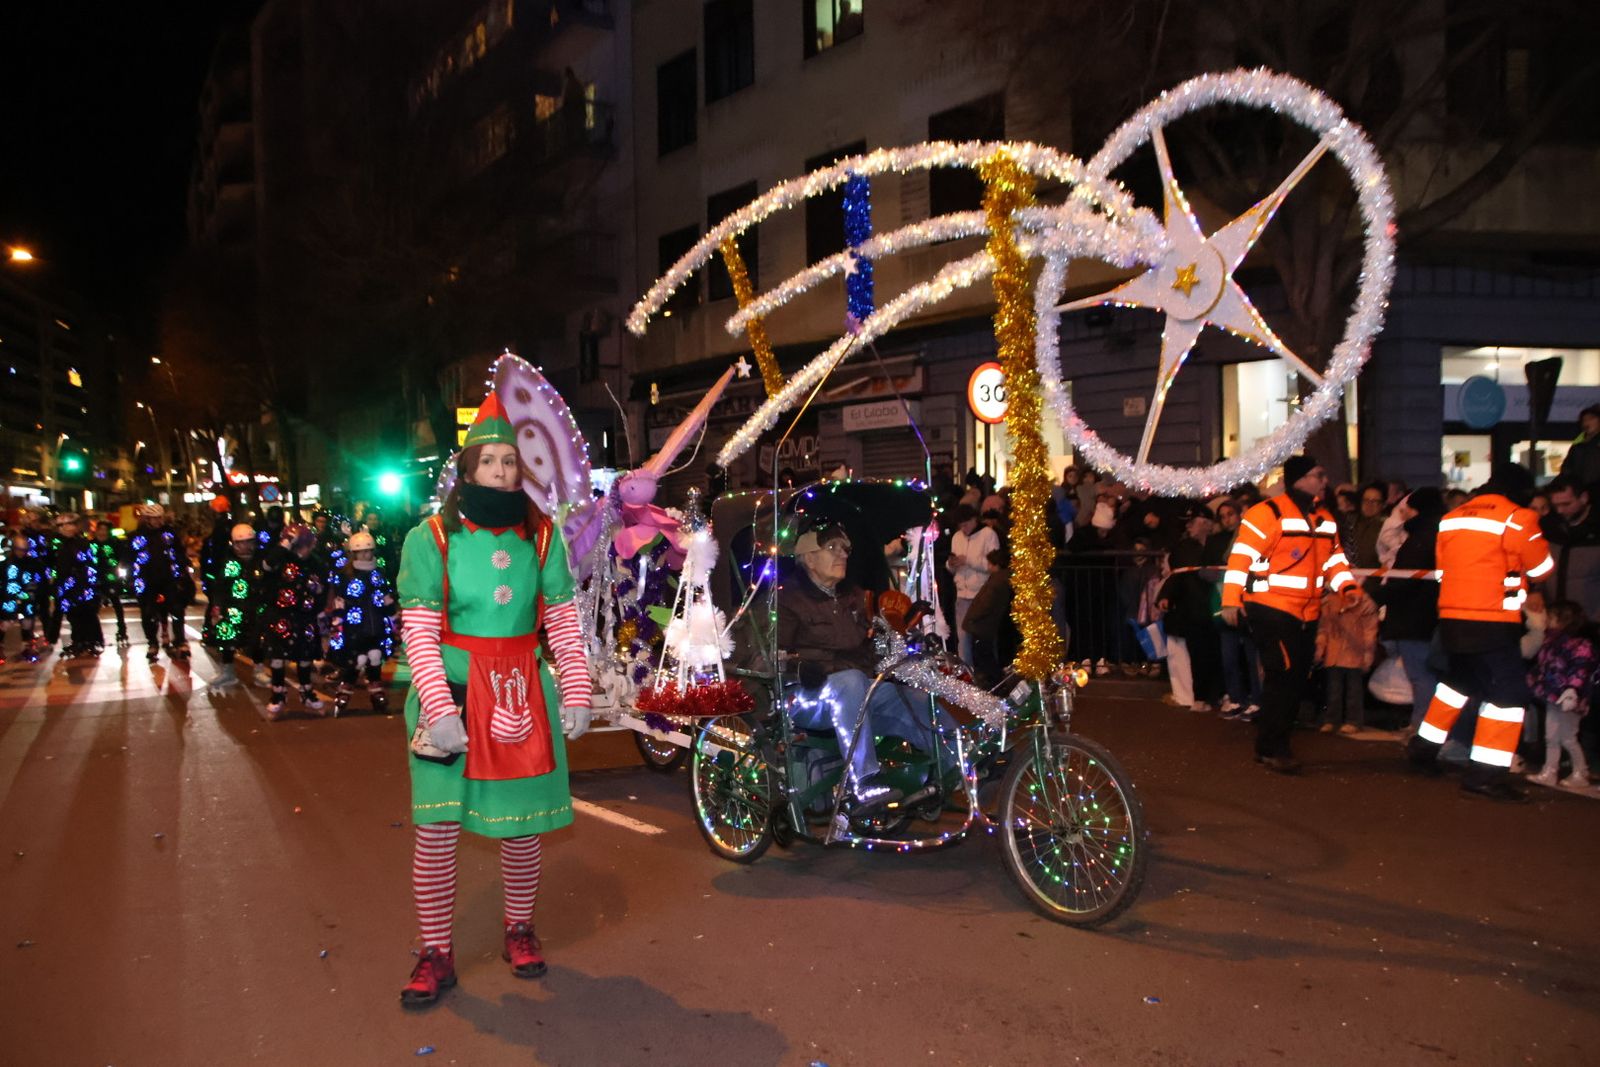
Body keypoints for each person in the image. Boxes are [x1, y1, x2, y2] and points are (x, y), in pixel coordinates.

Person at [394, 394, 592, 1008]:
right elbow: (418, 630)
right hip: (453, 691)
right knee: (436, 830)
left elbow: (562, 619)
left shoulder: (543, 537)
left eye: (510, 461)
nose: (502, 472)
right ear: (468, 469)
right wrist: (437, 707)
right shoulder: (432, 538)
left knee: (522, 828)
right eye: (489, 461)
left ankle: (519, 930)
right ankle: (435, 952)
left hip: (521, 694)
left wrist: (577, 688)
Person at [778, 522, 959, 807]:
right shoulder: (787, 599)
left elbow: (869, 646)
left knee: (913, 698)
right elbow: (766, 655)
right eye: (832, 548)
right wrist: (798, 667)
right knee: (850, 681)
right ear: (809, 559)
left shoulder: (853, 596)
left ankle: (962, 765)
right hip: (807, 697)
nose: (843, 554)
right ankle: (863, 781)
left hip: (858, 690)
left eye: (845, 549)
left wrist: (896, 643)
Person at [1407, 464, 1554, 801]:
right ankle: (1485, 776)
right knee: (1508, 697)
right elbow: (1541, 569)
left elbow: (1443, 567)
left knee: (1456, 686)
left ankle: (1423, 749)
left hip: (1452, 618)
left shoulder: (1453, 517)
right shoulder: (1519, 518)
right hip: (1493, 620)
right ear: (1520, 491)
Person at [1220, 454, 1357, 773]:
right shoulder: (1266, 513)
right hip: (1271, 609)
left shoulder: (1324, 518)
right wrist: (1231, 600)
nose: (1324, 480)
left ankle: (1269, 745)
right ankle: (1274, 748)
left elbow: (1334, 560)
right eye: (1318, 474)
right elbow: (1241, 557)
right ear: (1300, 479)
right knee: (1283, 677)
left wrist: (1349, 588)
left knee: (1293, 679)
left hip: (1306, 613)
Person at [1373, 488, 1445, 735]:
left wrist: (1376, 597)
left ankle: (1423, 730)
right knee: (1426, 676)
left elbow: (1405, 580)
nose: (1403, 515)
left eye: (1407, 510)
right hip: (1427, 616)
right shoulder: (1433, 534)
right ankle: (1425, 727)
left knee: (1421, 677)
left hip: (1414, 618)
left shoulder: (1421, 538)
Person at [258, 524, 328, 718]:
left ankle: (307, 692)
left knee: (305, 656)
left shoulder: (315, 563)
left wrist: (319, 609)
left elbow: (323, 587)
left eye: (307, 546)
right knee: (278, 655)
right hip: (281, 614)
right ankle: (278, 694)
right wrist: (285, 544)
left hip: (305, 615)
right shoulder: (280, 560)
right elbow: (266, 565)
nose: (304, 551)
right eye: (300, 547)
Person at [1159, 506, 1223, 712]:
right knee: (1198, 654)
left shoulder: (1218, 544)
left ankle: (1219, 695)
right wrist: (1166, 596)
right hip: (1194, 608)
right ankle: (1201, 697)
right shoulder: (1184, 548)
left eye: (1193, 522)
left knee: (1218, 653)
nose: (1189, 527)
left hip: (1217, 605)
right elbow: (1177, 575)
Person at [326, 530, 397, 714]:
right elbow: (340, 600)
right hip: (355, 625)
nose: (366, 555)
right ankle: (344, 691)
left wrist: (392, 615)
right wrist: (337, 621)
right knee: (357, 660)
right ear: (354, 553)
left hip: (376, 623)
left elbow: (386, 596)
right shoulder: (347, 575)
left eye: (369, 551)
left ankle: (376, 690)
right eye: (362, 552)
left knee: (375, 656)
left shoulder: (378, 573)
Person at [1526, 599, 1594, 789]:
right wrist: (1533, 682)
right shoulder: (1551, 641)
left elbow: (1581, 669)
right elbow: (1543, 668)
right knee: (1554, 737)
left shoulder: (1579, 645)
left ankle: (1579, 772)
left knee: (1567, 737)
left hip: (1568, 699)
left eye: (1552, 616)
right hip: (1554, 696)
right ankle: (1551, 771)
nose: (1547, 619)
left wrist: (1573, 691)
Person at [1210, 500, 1262, 720]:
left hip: (1247, 603)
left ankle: (1256, 700)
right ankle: (1237, 698)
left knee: (1252, 657)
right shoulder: (1221, 541)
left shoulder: (1253, 538)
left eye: (1231, 514)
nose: (1227, 520)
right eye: (1222, 516)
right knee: (1230, 657)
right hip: (1230, 602)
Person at [130, 503, 194, 664]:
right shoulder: (138, 536)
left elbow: (179, 552)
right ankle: (152, 642)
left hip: (169, 579)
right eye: (154, 518)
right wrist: (130, 577)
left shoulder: (169, 534)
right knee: (148, 613)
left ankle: (180, 641)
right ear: (147, 519)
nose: (158, 521)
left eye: (159, 518)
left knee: (177, 610)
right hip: (147, 581)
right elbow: (130, 557)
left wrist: (183, 567)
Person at [204, 523, 263, 692]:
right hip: (233, 608)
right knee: (227, 637)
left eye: (249, 542)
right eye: (241, 543)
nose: (245, 547)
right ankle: (228, 671)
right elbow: (220, 587)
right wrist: (217, 607)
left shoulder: (259, 561)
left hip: (255, 606)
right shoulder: (229, 563)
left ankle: (259, 670)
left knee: (257, 638)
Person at [1315, 586, 1378, 733]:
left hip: (1353, 652)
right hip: (1336, 652)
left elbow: (1370, 631)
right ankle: (1333, 719)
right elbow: (1324, 628)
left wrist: (1367, 652)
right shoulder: (1331, 601)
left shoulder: (1364, 603)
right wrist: (1321, 647)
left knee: (1351, 690)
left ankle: (1351, 721)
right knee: (1334, 690)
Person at [1541, 477, 1600, 619]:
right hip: (1555, 616)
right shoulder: (1549, 527)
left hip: (1591, 618)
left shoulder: (1596, 529)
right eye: (1555, 505)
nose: (1560, 510)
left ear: (1583, 498)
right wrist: (1535, 591)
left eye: (1566, 504)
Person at [948, 504, 999, 667]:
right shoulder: (956, 537)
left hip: (981, 594)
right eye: (960, 526)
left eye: (966, 525)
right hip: (962, 594)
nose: (963, 529)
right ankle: (967, 673)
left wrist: (968, 560)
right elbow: (952, 567)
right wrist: (951, 564)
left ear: (974, 520)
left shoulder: (988, 534)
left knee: (983, 639)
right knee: (963, 639)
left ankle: (987, 672)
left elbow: (993, 565)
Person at [51, 513, 103, 658]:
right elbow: (52, 565)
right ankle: (78, 641)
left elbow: (91, 563)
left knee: (87, 613)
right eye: (64, 526)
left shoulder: (82, 543)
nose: (68, 528)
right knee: (73, 615)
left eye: (70, 525)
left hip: (82, 584)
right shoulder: (56, 545)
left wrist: (92, 583)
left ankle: (91, 641)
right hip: (65, 585)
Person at [963, 547, 1013, 688]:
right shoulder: (1002, 579)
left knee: (984, 657)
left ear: (996, 565)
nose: (988, 567)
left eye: (990, 564)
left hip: (982, 626)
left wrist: (973, 617)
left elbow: (985, 604)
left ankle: (993, 683)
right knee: (986, 655)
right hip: (987, 625)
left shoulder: (996, 582)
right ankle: (995, 682)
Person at [1, 533, 46, 665]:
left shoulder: (33, 564)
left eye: (24, 550)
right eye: (19, 549)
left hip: (27, 599)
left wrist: (37, 594)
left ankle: (28, 648)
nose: (21, 553)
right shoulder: (5, 564)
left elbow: (39, 580)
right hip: (9, 598)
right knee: (5, 623)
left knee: (27, 623)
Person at [91, 519, 129, 648]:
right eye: (100, 529)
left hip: (111, 578)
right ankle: (95, 635)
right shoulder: (91, 544)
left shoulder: (115, 544)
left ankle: (122, 629)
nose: (102, 532)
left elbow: (122, 558)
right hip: (96, 578)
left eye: (105, 530)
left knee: (116, 603)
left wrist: (119, 570)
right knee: (94, 607)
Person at [1559, 404, 1600, 493]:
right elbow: (1567, 468)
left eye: (1591, 419)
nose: (1587, 423)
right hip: (1580, 490)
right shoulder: (1578, 445)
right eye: (1584, 420)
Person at [1351, 483, 1388, 570]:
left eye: (1374, 501)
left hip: (1375, 575)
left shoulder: (1387, 527)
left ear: (1383, 504)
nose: (1369, 504)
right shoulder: (1353, 523)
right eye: (1365, 500)